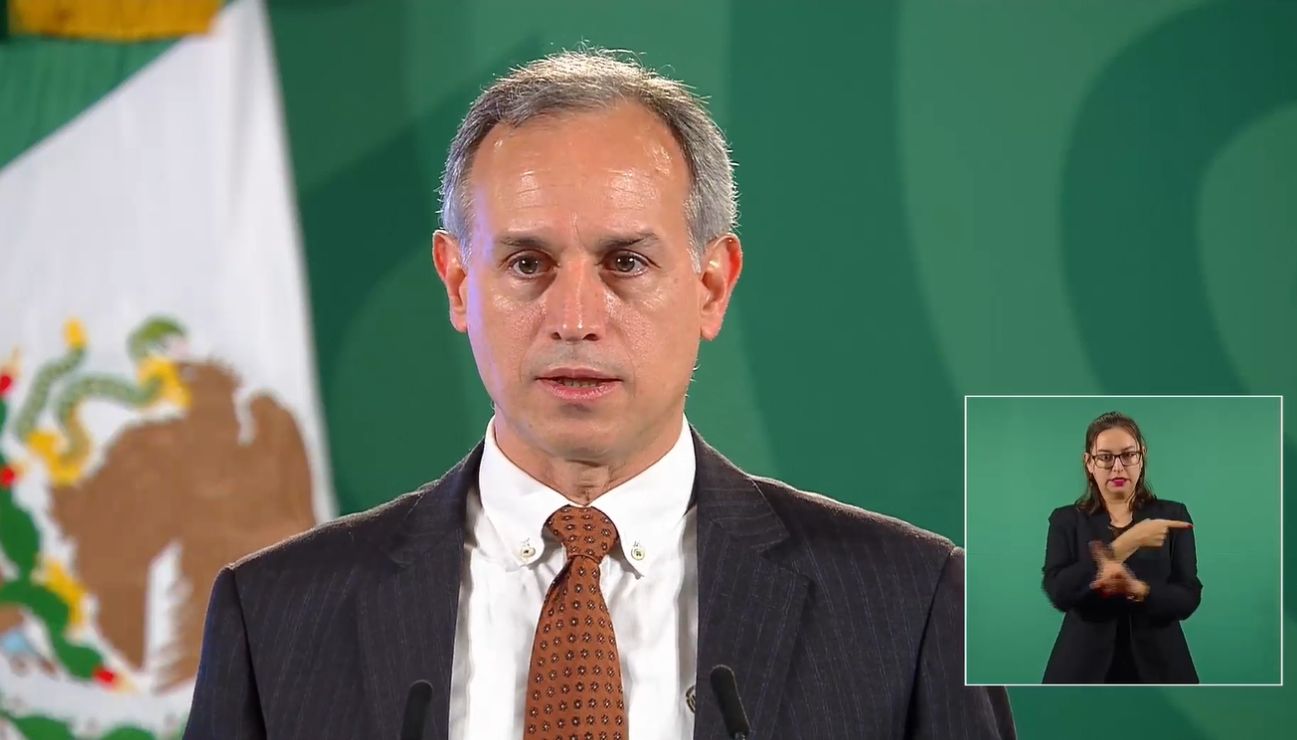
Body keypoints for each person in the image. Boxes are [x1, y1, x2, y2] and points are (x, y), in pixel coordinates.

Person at [185, 50, 1016, 739]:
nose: (575, 319)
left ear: (711, 285)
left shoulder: (906, 605)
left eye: (625, 263)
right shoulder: (276, 616)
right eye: (527, 264)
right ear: (458, 283)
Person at [1041, 411, 1201, 684]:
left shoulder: (1172, 515)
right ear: (1089, 463)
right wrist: (1128, 542)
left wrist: (1139, 590)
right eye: (1105, 457)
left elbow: (1189, 595)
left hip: (1163, 669)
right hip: (1081, 669)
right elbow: (1059, 591)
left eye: (1128, 455)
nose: (1117, 467)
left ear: (1142, 456)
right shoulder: (1066, 519)